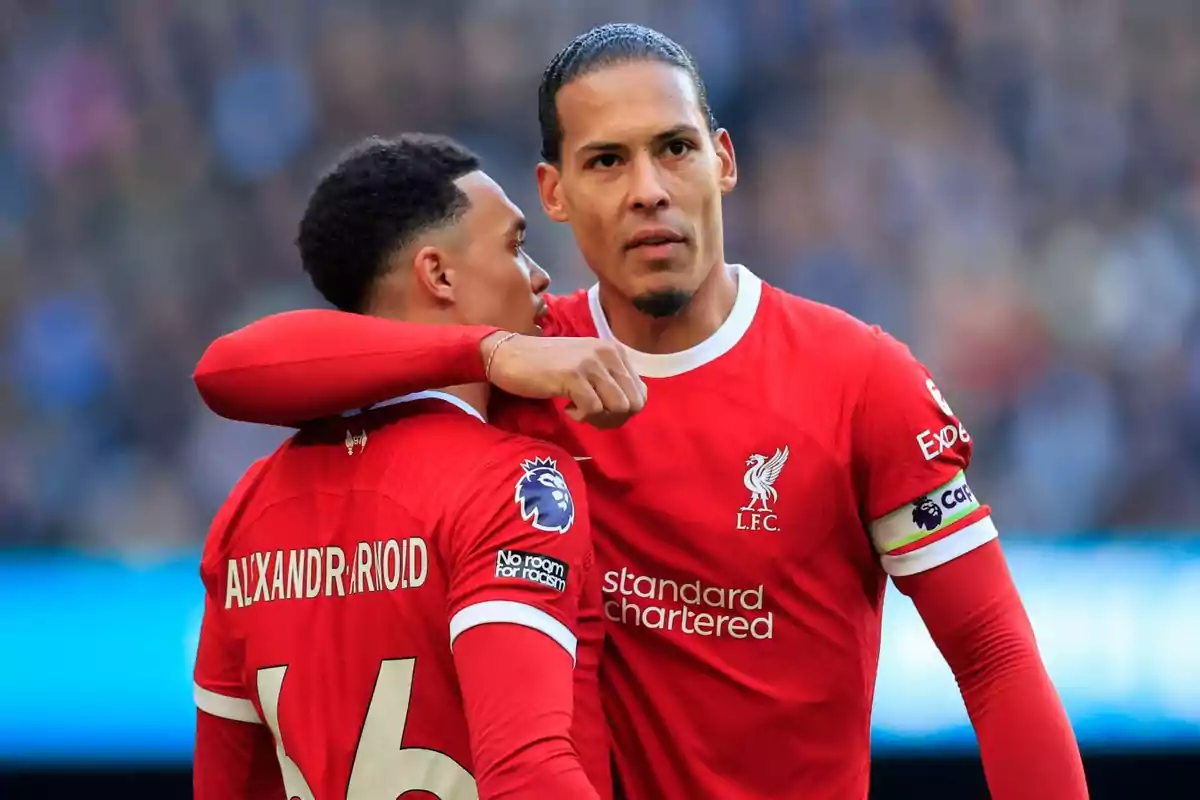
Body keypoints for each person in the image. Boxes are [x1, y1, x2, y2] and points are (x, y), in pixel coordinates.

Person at [192, 25, 1089, 800]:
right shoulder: (530, 371)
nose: (649, 188)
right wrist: (493, 352)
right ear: (553, 193)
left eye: (675, 148)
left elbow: (994, 657)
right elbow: (236, 371)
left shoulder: (860, 380)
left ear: (723, 161)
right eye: (607, 161)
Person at [191, 134, 609, 800]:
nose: (539, 275)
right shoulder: (517, 483)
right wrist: (489, 352)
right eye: (513, 245)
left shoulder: (247, 509)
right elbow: (526, 773)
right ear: (438, 275)